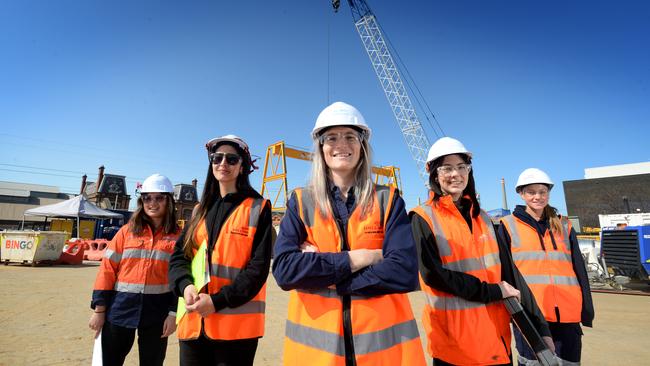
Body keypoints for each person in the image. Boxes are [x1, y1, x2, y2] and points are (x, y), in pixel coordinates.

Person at [273, 101, 425, 366]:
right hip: (318, 357)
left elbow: (404, 272)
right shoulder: (300, 201)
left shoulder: (388, 200)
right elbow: (285, 271)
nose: (341, 144)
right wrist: (360, 258)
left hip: (382, 356)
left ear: (362, 146)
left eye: (350, 136)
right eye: (331, 137)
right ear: (320, 147)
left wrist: (324, 274)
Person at [410, 137, 553, 366]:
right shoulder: (422, 218)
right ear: (434, 174)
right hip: (454, 348)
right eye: (447, 168)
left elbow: (510, 274)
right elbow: (433, 275)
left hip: (496, 342)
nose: (455, 174)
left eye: (461, 167)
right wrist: (494, 291)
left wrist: (540, 327)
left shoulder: (484, 218)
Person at [168, 134, 273, 366]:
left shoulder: (258, 208)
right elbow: (178, 259)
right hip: (194, 325)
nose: (223, 163)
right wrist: (185, 287)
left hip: (235, 331)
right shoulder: (199, 210)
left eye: (231, 159)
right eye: (217, 158)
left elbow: (258, 270)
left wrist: (217, 301)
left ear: (242, 165)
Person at [499, 168, 594, 366]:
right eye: (531, 192)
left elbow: (579, 270)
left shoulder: (564, 225)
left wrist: (586, 309)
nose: (538, 197)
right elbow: (504, 272)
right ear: (521, 194)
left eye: (542, 191)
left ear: (549, 193)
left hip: (567, 315)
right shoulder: (508, 226)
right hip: (530, 315)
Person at [89, 173, 180, 366]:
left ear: (169, 201)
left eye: (159, 198)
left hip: (158, 313)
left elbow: (181, 279)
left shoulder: (179, 237)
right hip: (120, 309)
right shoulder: (126, 232)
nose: (152, 203)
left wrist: (173, 314)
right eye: (147, 197)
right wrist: (99, 309)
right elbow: (107, 270)